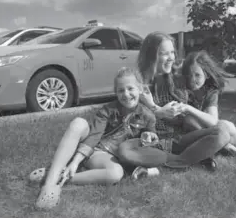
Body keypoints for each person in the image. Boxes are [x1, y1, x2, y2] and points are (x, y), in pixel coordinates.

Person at [32, 67, 159, 209]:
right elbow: (94, 136)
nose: (126, 94)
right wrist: (75, 161)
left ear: (140, 89)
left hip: (108, 158)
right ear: (116, 93)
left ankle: (63, 177)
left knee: (116, 173)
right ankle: (50, 183)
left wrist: (150, 136)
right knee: (79, 123)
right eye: (121, 90)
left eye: (130, 88)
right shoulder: (107, 110)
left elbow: (152, 138)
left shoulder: (148, 116)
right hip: (94, 149)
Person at [117, 31, 233, 172]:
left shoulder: (179, 79)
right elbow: (128, 121)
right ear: (151, 55)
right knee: (123, 150)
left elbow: (192, 111)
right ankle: (189, 158)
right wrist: (157, 111)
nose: (171, 58)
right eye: (165, 53)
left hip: (179, 140)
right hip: (150, 141)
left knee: (222, 132)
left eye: (172, 52)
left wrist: (173, 111)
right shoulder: (136, 83)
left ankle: (176, 161)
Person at [179, 50, 236, 162]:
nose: (192, 80)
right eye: (189, 75)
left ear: (207, 74)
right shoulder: (182, 88)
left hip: (206, 125)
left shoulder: (210, 91)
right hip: (189, 130)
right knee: (189, 119)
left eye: (197, 75)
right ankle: (229, 148)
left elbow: (213, 121)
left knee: (229, 125)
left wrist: (189, 108)